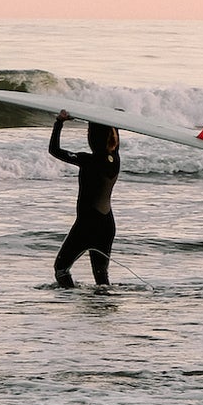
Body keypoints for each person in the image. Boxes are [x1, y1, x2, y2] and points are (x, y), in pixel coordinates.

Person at [49, 110, 120, 288]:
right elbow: (113, 138)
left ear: (94, 138)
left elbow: (54, 150)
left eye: (89, 133)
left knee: (61, 269)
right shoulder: (115, 159)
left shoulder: (88, 160)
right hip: (107, 225)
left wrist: (59, 123)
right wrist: (114, 121)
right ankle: (103, 308)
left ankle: (70, 301)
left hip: (87, 224)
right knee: (101, 277)